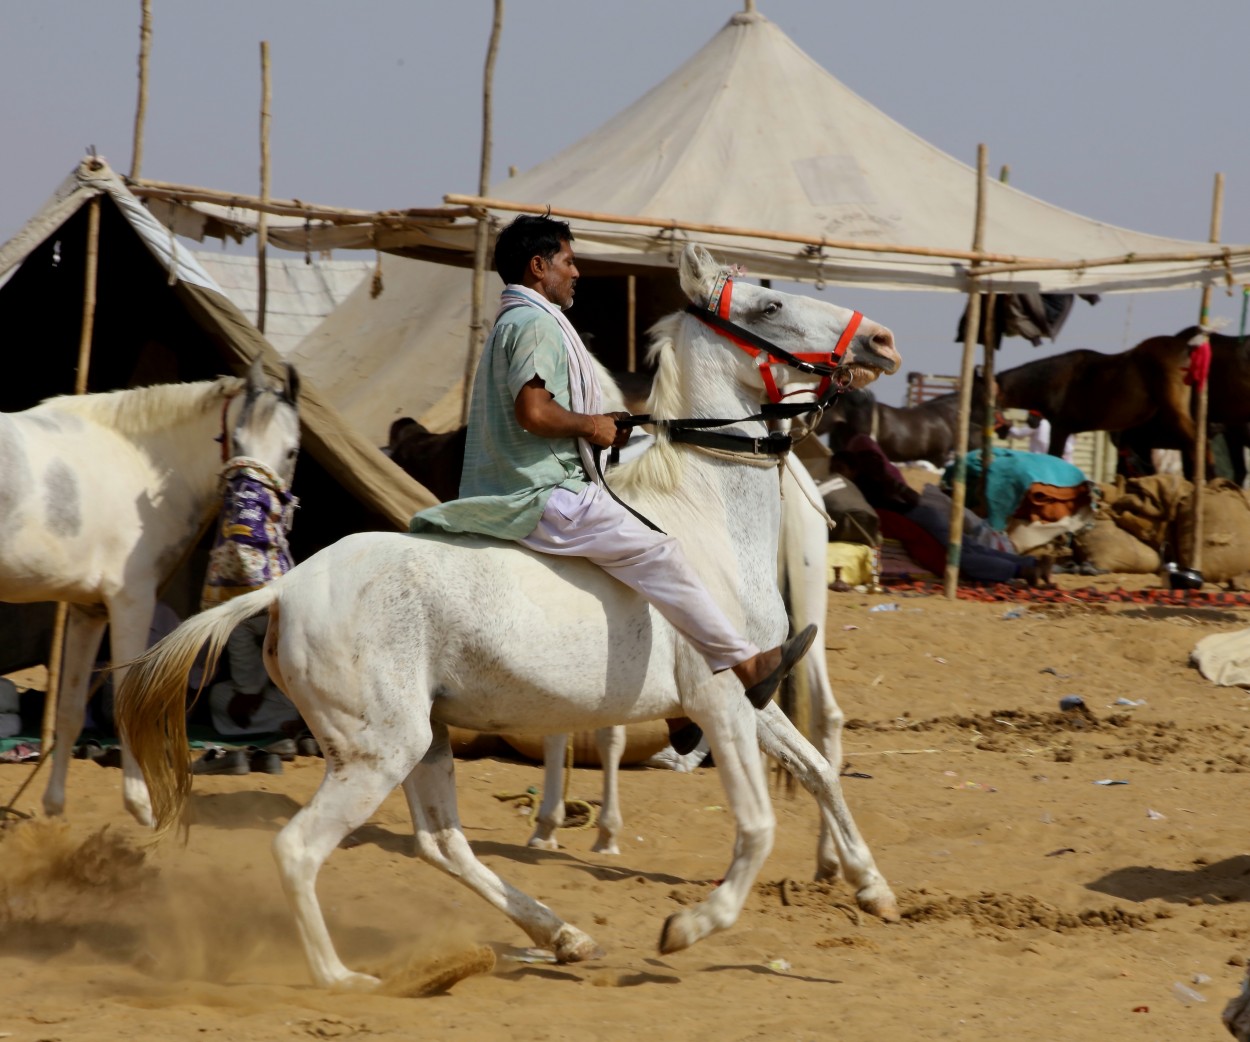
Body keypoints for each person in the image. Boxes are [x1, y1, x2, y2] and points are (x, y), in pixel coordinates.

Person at [409, 214, 815, 753]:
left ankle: (677, 713)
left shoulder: (520, 320)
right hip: (539, 489)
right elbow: (533, 412)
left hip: (537, 478)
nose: (576, 273)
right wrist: (590, 424)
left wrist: (603, 429)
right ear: (538, 267)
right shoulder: (533, 324)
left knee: (630, 551)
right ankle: (744, 663)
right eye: (568, 262)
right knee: (661, 553)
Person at [833, 435, 1043, 585]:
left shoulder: (864, 485)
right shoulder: (880, 475)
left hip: (918, 520)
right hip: (925, 513)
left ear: (852, 467)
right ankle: (1031, 563)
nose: (837, 475)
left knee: (960, 557)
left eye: (840, 469)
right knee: (970, 548)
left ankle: (1021, 570)